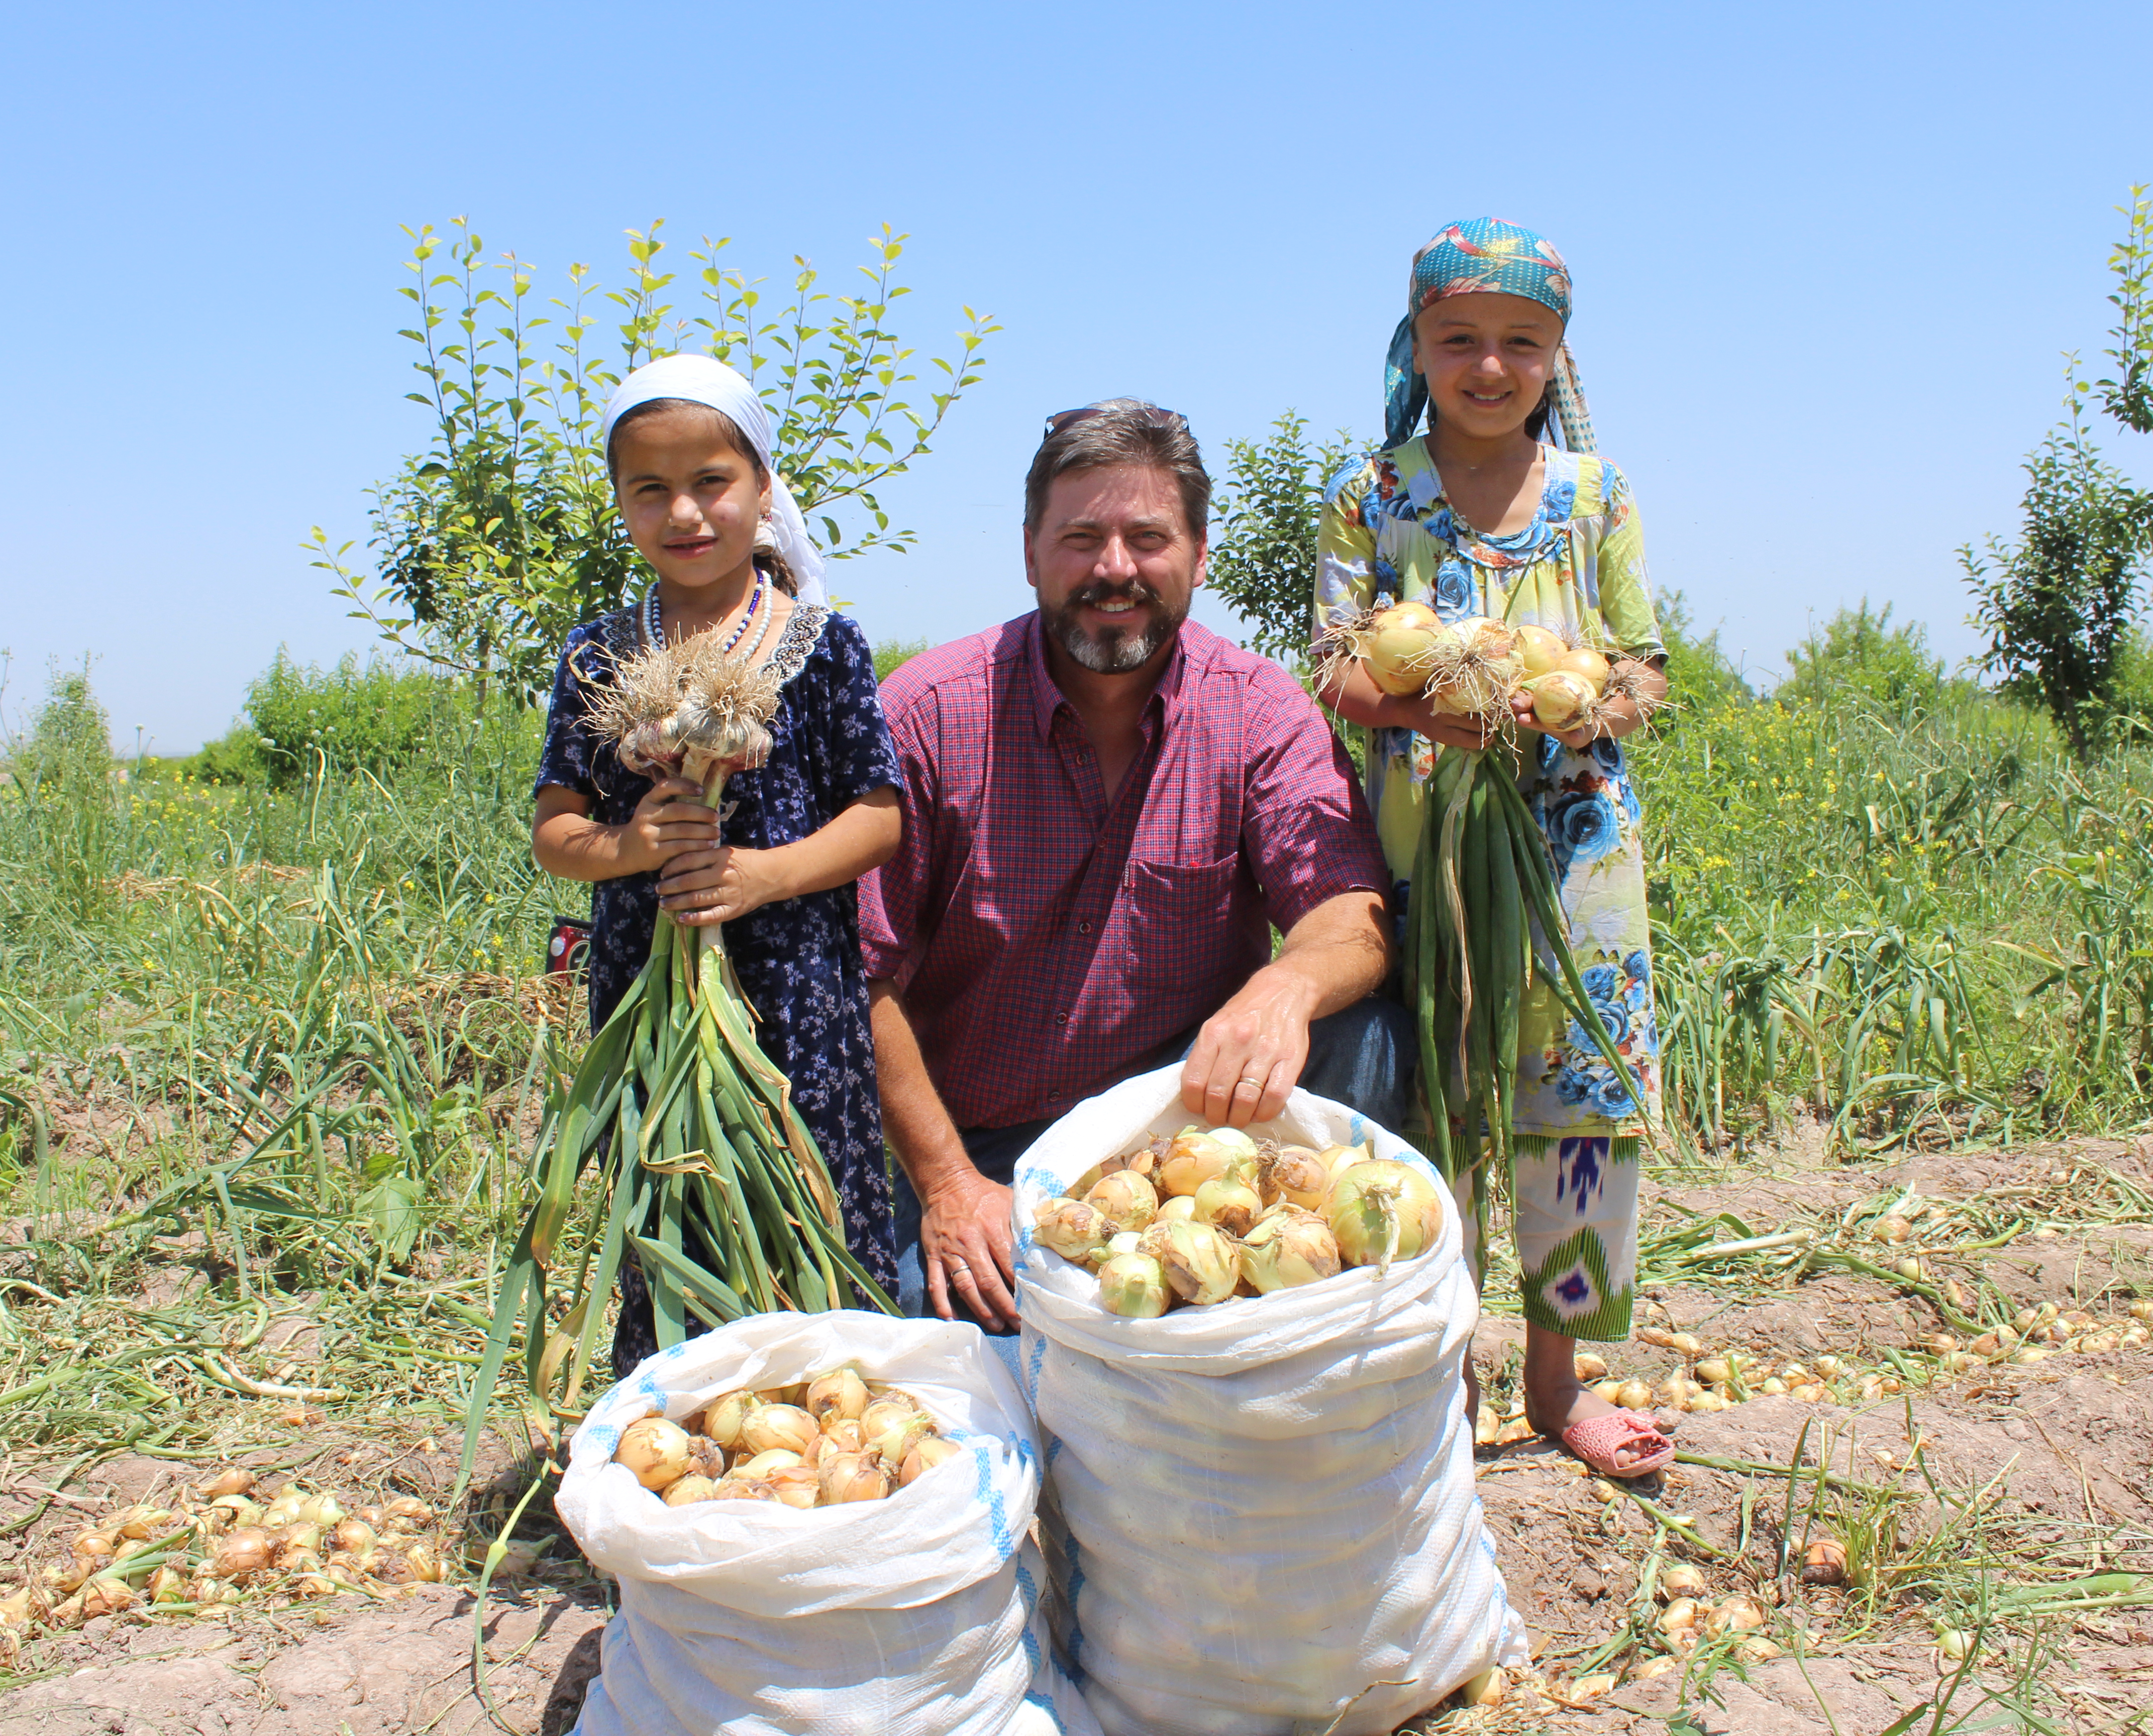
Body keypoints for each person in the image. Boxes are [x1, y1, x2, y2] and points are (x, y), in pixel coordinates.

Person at [863, 399, 1403, 1332]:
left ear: (1198, 555)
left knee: (1367, 1035)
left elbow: (1350, 912)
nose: (1115, 568)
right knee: (940, 1334)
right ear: (1030, 552)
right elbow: (857, 976)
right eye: (1081, 538)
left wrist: (1283, 991)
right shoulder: (929, 712)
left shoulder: (1256, 708)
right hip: (988, 1150)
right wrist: (949, 1184)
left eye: (1147, 538)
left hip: (1196, 1139)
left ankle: (1311, 1304)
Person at [1314, 220, 1674, 1479]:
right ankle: (1445, 1378)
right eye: (1458, 338)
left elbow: (1643, 666)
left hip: (1578, 851)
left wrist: (1576, 704)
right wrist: (1449, 712)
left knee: (1580, 1104)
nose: (1487, 367)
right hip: (1426, 854)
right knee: (1443, 1103)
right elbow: (1340, 669)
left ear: (1557, 354)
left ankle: (1559, 1382)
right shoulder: (1374, 492)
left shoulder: (1596, 495)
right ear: (1415, 345)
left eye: (1520, 343)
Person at [532, 353, 905, 1375]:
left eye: (712, 482)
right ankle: (686, 1412)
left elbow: (879, 819)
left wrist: (759, 875)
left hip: (799, 992)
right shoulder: (597, 660)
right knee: (676, 1179)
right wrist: (633, 848)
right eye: (649, 490)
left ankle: (833, 1410)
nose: (685, 512)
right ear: (619, 505)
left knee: (805, 1179)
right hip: (650, 998)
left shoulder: (823, 646)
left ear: (764, 490)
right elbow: (554, 831)